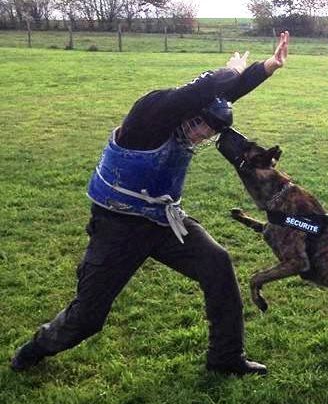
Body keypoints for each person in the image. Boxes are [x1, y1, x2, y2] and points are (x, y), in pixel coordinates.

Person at [11, 31, 290, 376]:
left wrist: (266, 67)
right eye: (202, 126)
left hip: (163, 221)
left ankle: (225, 358)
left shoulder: (193, 119)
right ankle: (36, 347)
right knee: (87, 318)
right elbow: (201, 91)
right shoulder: (150, 117)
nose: (203, 136)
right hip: (117, 227)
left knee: (217, 264)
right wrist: (230, 70)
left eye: (210, 133)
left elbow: (218, 98)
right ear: (189, 113)